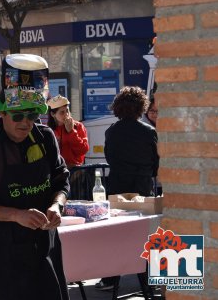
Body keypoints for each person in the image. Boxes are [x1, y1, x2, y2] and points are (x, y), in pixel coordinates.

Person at [0, 54, 70, 300]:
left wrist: (56, 205)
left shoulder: (46, 137)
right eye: (18, 115)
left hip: (45, 245)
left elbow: (61, 179)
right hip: (3, 251)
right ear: (3, 113)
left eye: (32, 115)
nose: (26, 122)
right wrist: (16, 215)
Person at [95, 86, 159, 291]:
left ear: (118, 107)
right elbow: (155, 162)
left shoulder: (111, 131)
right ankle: (150, 278)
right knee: (147, 233)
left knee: (117, 234)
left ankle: (110, 279)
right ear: (141, 107)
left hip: (119, 186)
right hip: (142, 187)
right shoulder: (149, 131)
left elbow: (110, 158)